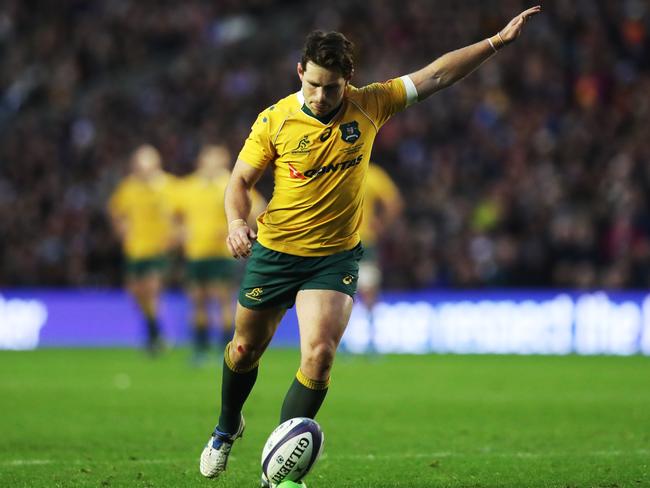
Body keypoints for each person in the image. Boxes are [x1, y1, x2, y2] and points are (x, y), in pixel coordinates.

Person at [199, 6, 541, 486]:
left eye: (331, 87)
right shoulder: (274, 120)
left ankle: (280, 466)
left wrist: (496, 43)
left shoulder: (371, 103)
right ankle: (226, 425)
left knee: (319, 355)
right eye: (313, 83)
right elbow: (240, 179)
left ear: (349, 79)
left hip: (334, 257)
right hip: (275, 252)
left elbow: (437, 74)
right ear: (300, 72)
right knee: (242, 350)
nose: (320, 95)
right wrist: (236, 221)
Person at [174, 145, 266, 363]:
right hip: (195, 252)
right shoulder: (189, 186)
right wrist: (180, 231)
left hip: (222, 253)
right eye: (208, 159)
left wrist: (240, 229)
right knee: (197, 300)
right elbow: (174, 214)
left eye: (216, 160)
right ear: (201, 161)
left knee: (222, 299)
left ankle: (225, 347)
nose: (212, 164)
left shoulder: (230, 183)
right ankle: (200, 348)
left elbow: (259, 208)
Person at [108, 144, 178, 355]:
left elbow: (182, 212)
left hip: (157, 248)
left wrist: (175, 234)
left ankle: (156, 336)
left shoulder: (168, 186)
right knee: (135, 292)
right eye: (139, 165)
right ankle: (154, 331)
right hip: (134, 250)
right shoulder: (128, 188)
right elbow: (115, 211)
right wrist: (121, 230)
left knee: (150, 288)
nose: (143, 169)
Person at [356, 162, 404, 352]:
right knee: (366, 292)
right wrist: (382, 224)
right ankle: (369, 341)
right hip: (360, 241)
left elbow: (394, 203)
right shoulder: (372, 174)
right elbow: (394, 202)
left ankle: (369, 340)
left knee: (346, 293)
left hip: (352, 241)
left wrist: (382, 224)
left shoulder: (368, 173)